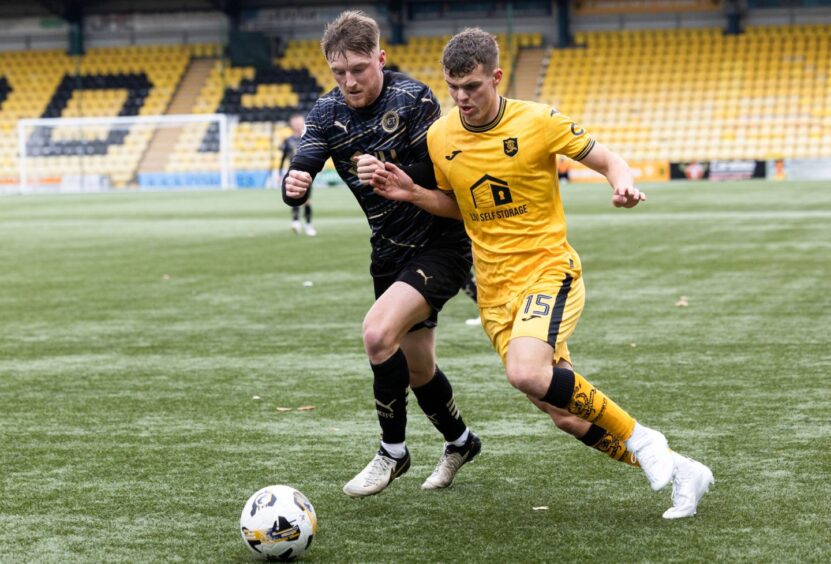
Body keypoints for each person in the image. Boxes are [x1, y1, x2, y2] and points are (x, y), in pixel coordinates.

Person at [360, 28, 714, 519]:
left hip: (548, 271)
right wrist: (412, 193)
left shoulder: (538, 121)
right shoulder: (442, 136)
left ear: (496, 77)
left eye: (473, 87)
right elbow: (457, 204)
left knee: (526, 371)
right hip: (495, 290)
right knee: (562, 412)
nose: (462, 98)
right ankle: (683, 472)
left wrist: (624, 184)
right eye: (453, 88)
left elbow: (607, 158)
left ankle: (645, 440)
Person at [282, 11, 481, 498]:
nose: (349, 81)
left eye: (359, 69)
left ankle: (392, 451)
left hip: (441, 245)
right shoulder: (327, 112)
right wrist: (295, 183)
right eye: (339, 73)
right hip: (388, 253)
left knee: (376, 334)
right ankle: (460, 441)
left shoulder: (412, 98)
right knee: (417, 369)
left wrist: (390, 170)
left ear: (380, 59)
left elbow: (439, 173)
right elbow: (304, 159)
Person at [279, 113, 316, 236]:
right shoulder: (288, 140)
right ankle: (295, 221)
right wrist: (280, 173)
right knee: (293, 195)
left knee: (307, 201)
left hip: (307, 173)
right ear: (291, 124)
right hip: (292, 172)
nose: (297, 124)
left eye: (299, 122)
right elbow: (283, 157)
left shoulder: (308, 138)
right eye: (295, 122)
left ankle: (308, 224)